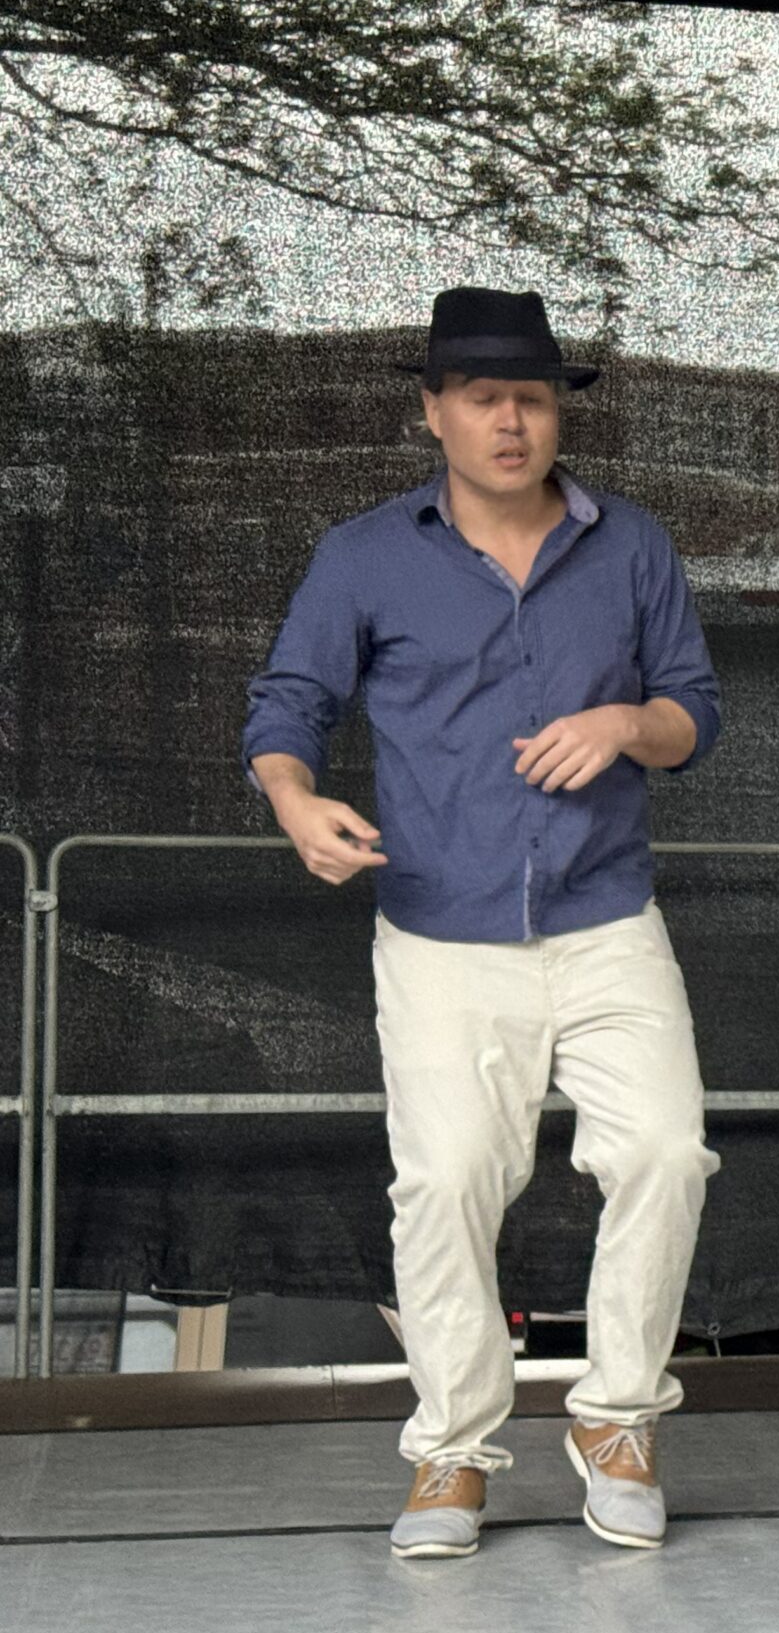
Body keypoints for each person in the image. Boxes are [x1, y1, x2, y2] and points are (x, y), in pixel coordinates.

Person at [244, 287, 723, 1559]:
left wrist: (625, 723)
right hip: (439, 932)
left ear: (557, 412)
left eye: (532, 399)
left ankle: (617, 1423)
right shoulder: (365, 556)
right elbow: (288, 702)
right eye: (482, 398)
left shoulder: (632, 547)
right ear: (434, 412)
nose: (510, 422)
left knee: (666, 1153)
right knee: (449, 1181)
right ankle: (453, 1450)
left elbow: (694, 712)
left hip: (606, 914)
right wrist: (293, 798)